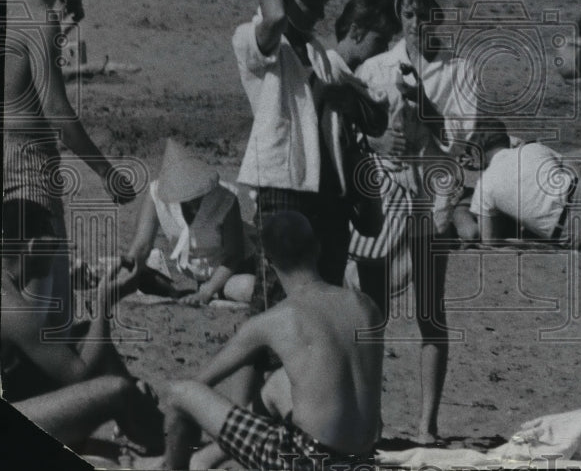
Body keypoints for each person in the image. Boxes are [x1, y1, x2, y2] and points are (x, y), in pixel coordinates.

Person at [353, 0, 478, 445]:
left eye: (423, 12)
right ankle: (373, 419)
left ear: (437, 17)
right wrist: (382, 138)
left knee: (430, 307)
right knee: (375, 310)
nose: (414, 21)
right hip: (384, 196)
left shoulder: (459, 70)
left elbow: (457, 141)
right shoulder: (376, 67)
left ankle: (427, 424)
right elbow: (357, 131)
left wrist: (425, 104)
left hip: (434, 198)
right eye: (407, 11)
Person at [162, 211, 384, 470]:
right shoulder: (365, 306)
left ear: (266, 262)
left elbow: (202, 381)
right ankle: (204, 460)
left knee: (180, 392)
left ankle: (172, 466)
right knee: (278, 383)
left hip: (306, 462)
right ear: (317, 248)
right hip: (362, 460)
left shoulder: (273, 320)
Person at [233, 0, 388, 309]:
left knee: (323, 304)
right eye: (314, 0)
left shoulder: (317, 51)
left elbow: (377, 116)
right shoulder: (252, 39)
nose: (321, 12)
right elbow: (274, 19)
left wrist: (344, 98)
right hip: (284, 186)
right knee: (276, 303)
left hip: (329, 192)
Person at [4, 0, 136, 334]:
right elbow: (58, 113)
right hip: (30, 177)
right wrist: (106, 172)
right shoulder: (41, 21)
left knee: (15, 313)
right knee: (50, 321)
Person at [1, 201, 165, 455]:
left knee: (87, 335)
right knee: (116, 390)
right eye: (54, 243)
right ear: (32, 247)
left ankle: (149, 428)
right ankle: (159, 442)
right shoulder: (12, 307)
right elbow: (79, 376)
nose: (58, 251)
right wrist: (104, 304)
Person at [455, 125, 581, 250]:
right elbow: (574, 167)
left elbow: (489, 242)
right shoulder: (532, 148)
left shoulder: (485, 185)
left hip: (573, 228)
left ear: (477, 155)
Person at [122, 139, 255, 306]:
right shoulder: (156, 194)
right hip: (201, 278)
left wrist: (207, 291)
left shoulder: (225, 200)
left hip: (231, 274)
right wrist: (127, 271)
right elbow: (141, 246)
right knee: (132, 273)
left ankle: (214, 293)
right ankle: (178, 292)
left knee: (248, 288)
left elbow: (234, 256)